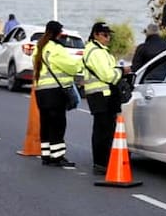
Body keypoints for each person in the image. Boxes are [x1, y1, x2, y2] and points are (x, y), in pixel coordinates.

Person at [33, 20, 83, 167]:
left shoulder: (39, 48)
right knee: (58, 125)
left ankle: (46, 155)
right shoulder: (56, 49)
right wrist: (80, 63)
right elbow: (72, 67)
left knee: (46, 124)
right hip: (55, 92)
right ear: (58, 33)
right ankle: (57, 156)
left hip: (41, 92)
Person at [81, 22, 124, 175]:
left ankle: (103, 162)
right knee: (103, 131)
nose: (108, 38)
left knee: (104, 130)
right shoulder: (96, 52)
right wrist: (121, 72)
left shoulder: (100, 51)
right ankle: (101, 163)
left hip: (102, 95)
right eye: (105, 35)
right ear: (96, 35)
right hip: (101, 95)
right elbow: (107, 75)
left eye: (109, 35)